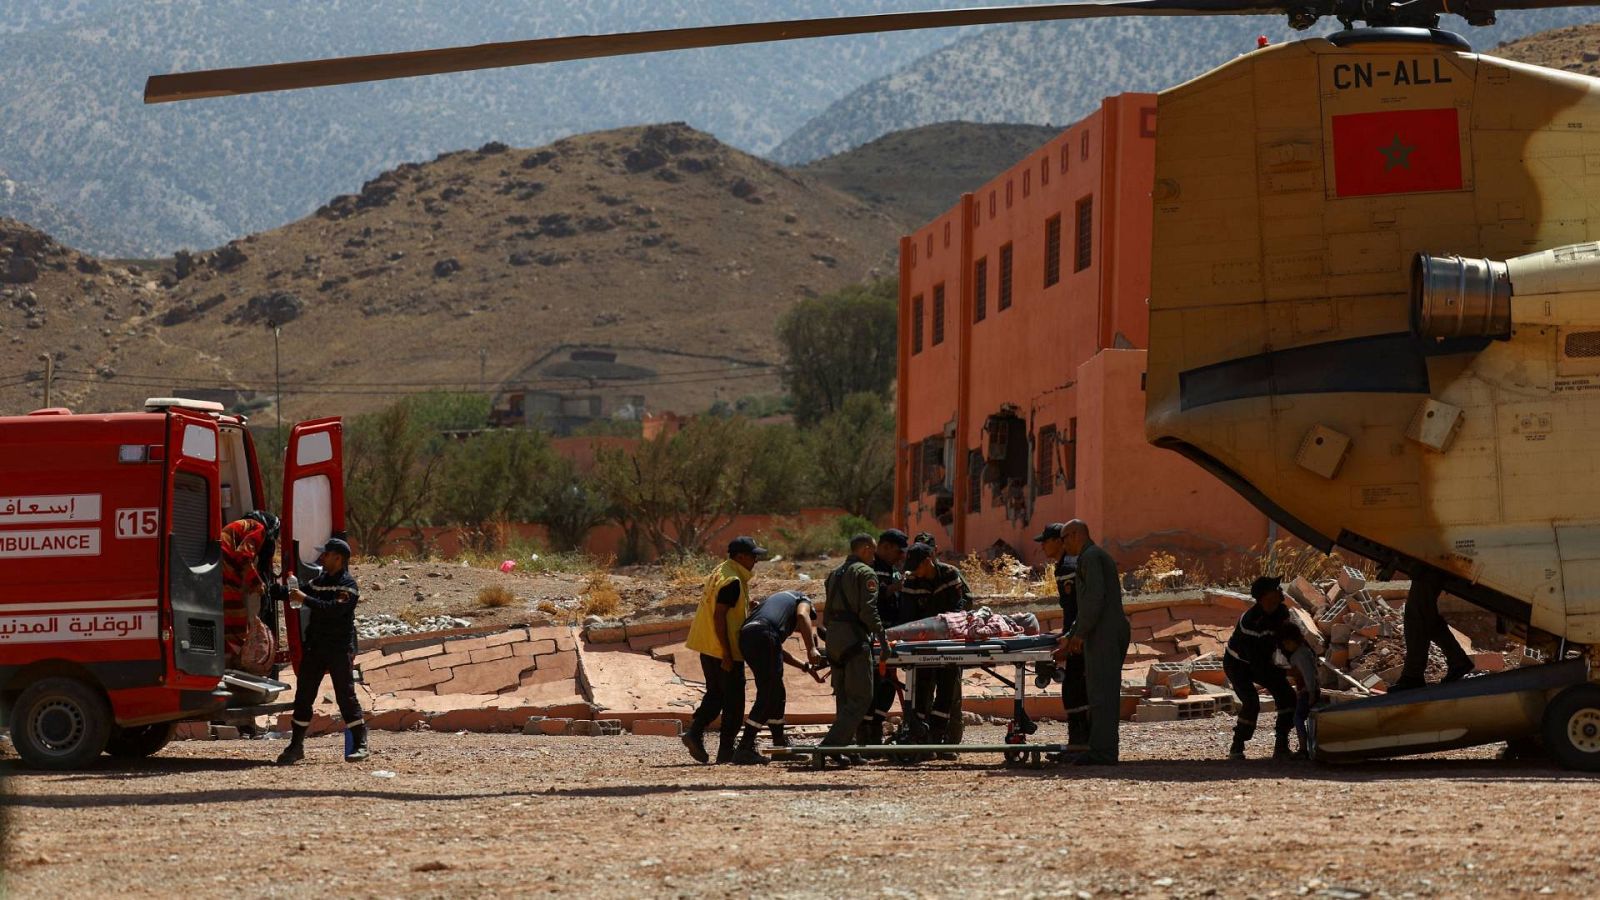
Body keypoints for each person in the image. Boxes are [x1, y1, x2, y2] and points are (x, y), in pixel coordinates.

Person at [277, 537, 368, 765]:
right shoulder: (320, 581)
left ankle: (360, 745)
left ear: (338, 558)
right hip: (315, 647)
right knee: (304, 696)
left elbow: (333, 610)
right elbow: (293, 593)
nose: (322, 558)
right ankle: (296, 746)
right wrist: (265, 588)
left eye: (326, 554)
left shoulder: (348, 586)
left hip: (338, 649)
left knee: (345, 696)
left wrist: (305, 598)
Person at [682, 536, 767, 764]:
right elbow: (719, 616)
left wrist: (747, 608)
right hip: (723, 648)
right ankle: (726, 750)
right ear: (740, 557)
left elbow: (725, 607)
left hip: (707, 645)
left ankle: (694, 732)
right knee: (734, 702)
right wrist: (727, 654)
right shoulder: (733, 581)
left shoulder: (722, 571)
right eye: (753, 556)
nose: (756, 560)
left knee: (715, 694)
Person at [1057, 520, 1130, 766]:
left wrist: (1079, 634)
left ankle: (1103, 752)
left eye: (1065, 538)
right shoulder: (1091, 557)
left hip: (1104, 633)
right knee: (1099, 693)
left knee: (1102, 696)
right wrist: (1072, 634)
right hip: (1100, 631)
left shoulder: (1090, 557)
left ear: (1076, 534)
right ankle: (1101, 748)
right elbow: (1088, 602)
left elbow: (1094, 600)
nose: (1063, 544)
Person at [730, 590, 826, 765]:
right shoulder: (802, 599)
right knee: (769, 692)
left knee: (776, 691)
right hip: (764, 635)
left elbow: (776, 650)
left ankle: (779, 745)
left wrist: (805, 667)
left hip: (748, 636)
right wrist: (811, 648)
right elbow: (802, 615)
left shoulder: (773, 607)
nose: (798, 627)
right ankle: (745, 747)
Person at [818, 533, 886, 767]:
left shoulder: (834, 573)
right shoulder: (865, 573)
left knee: (845, 698)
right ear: (866, 549)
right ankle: (830, 745)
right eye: (873, 551)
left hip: (835, 639)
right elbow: (868, 610)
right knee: (862, 697)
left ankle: (845, 749)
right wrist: (882, 636)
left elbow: (826, 613)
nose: (875, 557)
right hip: (854, 639)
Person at [900, 541, 971, 750]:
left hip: (949, 642)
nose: (915, 572)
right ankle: (920, 737)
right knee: (921, 689)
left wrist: (945, 625)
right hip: (922, 644)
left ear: (928, 560)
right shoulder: (912, 581)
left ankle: (939, 736)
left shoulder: (949, 574)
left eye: (917, 567)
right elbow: (907, 616)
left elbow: (959, 607)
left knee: (947, 690)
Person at [1224, 575, 1296, 760]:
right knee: (1251, 702)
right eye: (1276, 589)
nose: (1281, 592)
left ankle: (1281, 744)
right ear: (1265, 596)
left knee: (1287, 696)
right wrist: (1284, 671)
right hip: (1238, 664)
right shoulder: (1250, 621)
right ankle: (1237, 746)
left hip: (1264, 662)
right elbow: (1258, 661)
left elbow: (1287, 641)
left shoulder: (1282, 612)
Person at [1036, 522, 1088, 753]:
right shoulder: (1063, 565)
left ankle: (1080, 744)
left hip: (1079, 636)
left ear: (1059, 541)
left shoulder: (1069, 565)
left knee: (1075, 688)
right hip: (1074, 632)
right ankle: (1078, 742)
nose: (1043, 546)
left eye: (1046, 541)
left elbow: (1077, 607)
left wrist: (1070, 637)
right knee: (1074, 687)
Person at [1391, 565, 1474, 691]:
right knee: (1426, 616)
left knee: (1416, 616)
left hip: (1429, 567)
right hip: (1430, 566)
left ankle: (1413, 675)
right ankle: (1457, 660)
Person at [863, 529, 910, 746]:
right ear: (886, 547)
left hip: (890, 637)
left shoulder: (890, 569)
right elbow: (874, 600)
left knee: (888, 684)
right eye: (898, 551)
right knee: (875, 684)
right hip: (874, 636)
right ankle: (866, 732)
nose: (900, 556)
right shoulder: (871, 568)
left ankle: (876, 727)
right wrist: (897, 587)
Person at [220, 511, 279, 674]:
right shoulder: (259, 528)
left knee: (229, 622)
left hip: (220, 570)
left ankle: (231, 662)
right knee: (237, 619)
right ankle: (238, 663)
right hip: (224, 571)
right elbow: (244, 555)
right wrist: (257, 583)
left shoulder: (242, 526)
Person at [1278, 625, 1320, 760]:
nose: (1286, 646)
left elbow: (1308, 675)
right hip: (1306, 690)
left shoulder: (1300, 654)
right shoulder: (1303, 652)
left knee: (1298, 719)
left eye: (1287, 643)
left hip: (1307, 691)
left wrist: (1311, 693)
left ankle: (1303, 749)